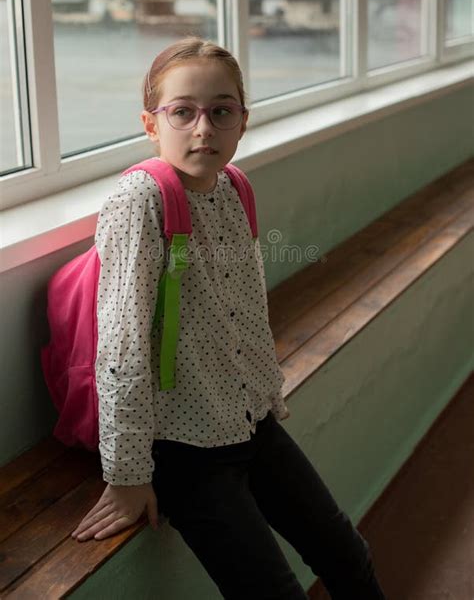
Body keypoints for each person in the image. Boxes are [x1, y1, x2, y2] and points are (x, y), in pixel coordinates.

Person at [70, 36, 386, 599]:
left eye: (221, 112)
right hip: (186, 454)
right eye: (182, 112)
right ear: (151, 123)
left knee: (347, 554)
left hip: (249, 423)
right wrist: (127, 476)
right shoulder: (139, 200)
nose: (203, 129)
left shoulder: (234, 187)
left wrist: (266, 398)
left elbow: (246, 311)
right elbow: (121, 350)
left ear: (243, 122)